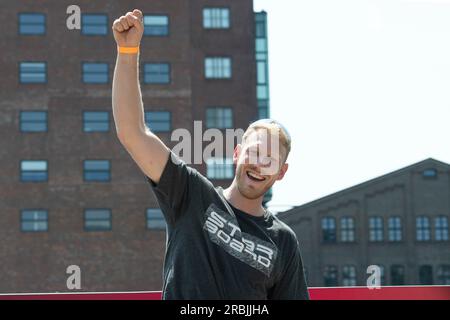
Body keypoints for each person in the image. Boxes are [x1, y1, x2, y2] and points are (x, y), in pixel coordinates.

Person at [112, 9, 309, 300]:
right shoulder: (191, 194)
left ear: (281, 171)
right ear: (237, 153)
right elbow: (133, 132)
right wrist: (127, 50)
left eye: (269, 160)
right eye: (254, 153)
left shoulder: (283, 242)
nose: (258, 165)